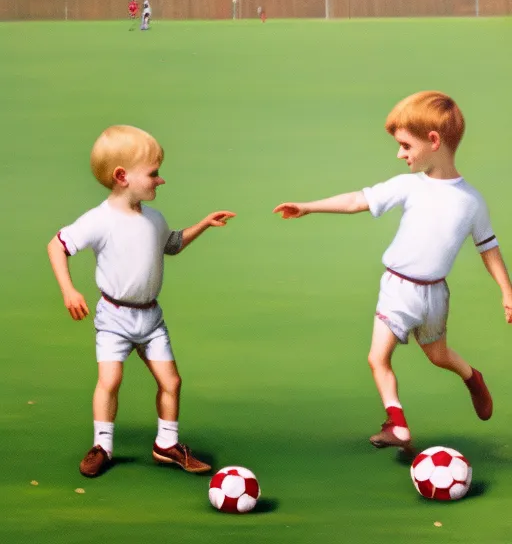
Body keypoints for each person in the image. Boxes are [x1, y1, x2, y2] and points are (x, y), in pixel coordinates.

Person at [273, 91, 512, 453]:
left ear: (433, 141)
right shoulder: (407, 186)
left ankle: (472, 377)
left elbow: (488, 247)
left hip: (435, 294)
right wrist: (308, 207)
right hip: (398, 288)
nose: (399, 154)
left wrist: (506, 291)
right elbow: (357, 200)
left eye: (405, 145)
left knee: (438, 356)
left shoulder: (471, 201)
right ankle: (397, 425)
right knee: (377, 357)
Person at [47, 125, 236, 477]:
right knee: (111, 380)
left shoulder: (154, 219)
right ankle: (102, 445)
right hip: (114, 318)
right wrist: (69, 290)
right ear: (122, 176)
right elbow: (56, 246)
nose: (160, 180)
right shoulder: (99, 220)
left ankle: (166, 444)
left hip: (151, 319)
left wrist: (204, 224)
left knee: (172, 382)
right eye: (153, 173)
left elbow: (173, 244)